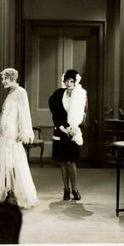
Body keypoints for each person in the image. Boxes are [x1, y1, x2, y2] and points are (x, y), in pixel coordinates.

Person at [0, 68, 39, 209]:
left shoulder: (20, 92)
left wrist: (23, 132)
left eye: (5, 78)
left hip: (13, 135)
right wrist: (0, 125)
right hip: (5, 134)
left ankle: (15, 195)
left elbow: (24, 113)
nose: (3, 81)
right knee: (6, 165)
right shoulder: (10, 93)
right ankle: (9, 194)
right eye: (2, 78)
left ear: (13, 78)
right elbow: (7, 114)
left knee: (14, 165)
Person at [48, 69, 87, 201]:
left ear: (76, 82)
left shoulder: (80, 95)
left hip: (74, 131)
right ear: (64, 81)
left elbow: (84, 114)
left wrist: (75, 128)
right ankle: (66, 189)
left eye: (71, 81)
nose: (69, 83)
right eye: (67, 81)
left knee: (71, 161)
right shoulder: (58, 94)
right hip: (60, 131)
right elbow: (55, 114)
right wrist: (63, 128)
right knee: (63, 161)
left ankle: (75, 189)